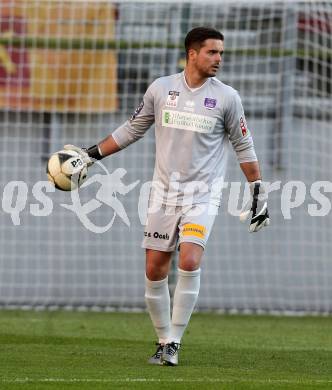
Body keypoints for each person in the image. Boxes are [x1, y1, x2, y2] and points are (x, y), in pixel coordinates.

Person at [64, 27, 270, 366]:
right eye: (212, 52)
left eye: (221, 53)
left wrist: (257, 189)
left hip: (202, 195)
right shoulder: (161, 89)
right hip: (163, 194)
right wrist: (91, 154)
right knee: (154, 269)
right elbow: (133, 128)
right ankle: (162, 339)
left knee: (189, 259)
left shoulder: (228, 97)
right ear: (192, 53)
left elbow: (243, 145)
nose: (219, 58)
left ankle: (174, 342)